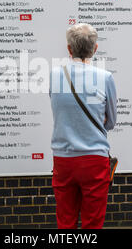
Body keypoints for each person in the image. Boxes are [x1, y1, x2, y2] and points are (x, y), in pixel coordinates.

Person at [49, 23, 117, 229]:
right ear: (95, 49)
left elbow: (60, 109)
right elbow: (111, 121)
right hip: (94, 159)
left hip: (63, 158)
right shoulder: (105, 78)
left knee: (66, 220)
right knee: (93, 222)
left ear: (69, 49)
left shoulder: (54, 76)